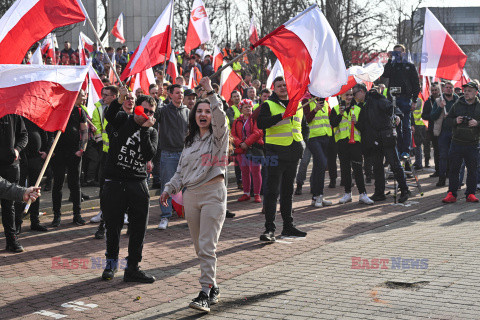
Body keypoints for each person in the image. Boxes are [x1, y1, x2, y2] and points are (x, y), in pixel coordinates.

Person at [160, 77, 229, 312]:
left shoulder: (219, 137)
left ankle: (204, 293)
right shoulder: (189, 142)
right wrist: (169, 188)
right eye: (199, 111)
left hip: (213, 194)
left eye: (207, 111)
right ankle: (214, 286)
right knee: (200, 249)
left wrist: (210, 93)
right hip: (191, 196)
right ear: (194, 115)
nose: (203, 114)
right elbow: (180, 172)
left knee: (207, 247)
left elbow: (221, 120)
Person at [101, 88, 158, 283]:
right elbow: (108, 114)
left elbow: (149, 154)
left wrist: (144, 130)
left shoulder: (151, 132)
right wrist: (119, 98)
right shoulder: (121, 119)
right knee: (113, 225)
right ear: (136, 108)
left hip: (138, 183)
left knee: (138, 228)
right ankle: (111, 264)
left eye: (152, 112)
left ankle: (132, 267)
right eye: (145, 110)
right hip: (115, 182)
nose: (148, 114)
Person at [257, 76, 307, 241]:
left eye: (285, 85)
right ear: (274, 88)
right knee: (272, 192)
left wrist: (302, 143)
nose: (283, 88)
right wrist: (281, 116)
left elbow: (303, 127)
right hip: (275, 153)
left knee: (288, 192)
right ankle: (269, 229)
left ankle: (288, 227)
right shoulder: (268, 104)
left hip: (293, 153)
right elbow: (260, 124)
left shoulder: (298, 103)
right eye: (279, 86)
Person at [354, 83, 411, 203]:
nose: (354, 96)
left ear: (362, 91)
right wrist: (355, 123)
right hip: (374, 141)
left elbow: (391, 107)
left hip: (386, 137)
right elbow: (363, 126)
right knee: (377, 167)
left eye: (355, 93)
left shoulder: (375, 98)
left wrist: (397, 116)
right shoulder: (363, 106)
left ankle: (404, 190)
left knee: (395, 164)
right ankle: (379, 192)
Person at [51, 90, 88, 227]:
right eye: (82, 96)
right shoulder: (57, 109)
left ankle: (77, 215)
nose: (84, 99)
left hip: (74, 152)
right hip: (58, 153)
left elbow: (84, 131)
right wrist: (51, 149)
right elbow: (49, 129)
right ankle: (56, 216)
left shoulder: (79, 111)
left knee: (75, 184)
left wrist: (82, 148)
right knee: (58, 184)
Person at [329, 89, 373, 205]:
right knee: (345, 170)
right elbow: (333, 124)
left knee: (358, 169)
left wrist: (356, 122)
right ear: (341, 96)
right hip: (342, 143)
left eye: (351, 95)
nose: (349, 97)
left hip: (355, 144)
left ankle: (362, 194)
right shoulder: (335, 109)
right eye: (346, 95)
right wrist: (340, 114)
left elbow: (364, 127)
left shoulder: (358, 109)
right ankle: (347, 193)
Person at [157, 84, 189, 230]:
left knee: (189, 185)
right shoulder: (163, 111)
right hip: (168, 153)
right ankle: (165, 216)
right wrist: (157, 99)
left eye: (181, 93)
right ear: (170, 94)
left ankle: (189, 214)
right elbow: (152, 118)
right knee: (167, 185)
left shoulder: (188, 111)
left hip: (185, 154)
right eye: (177, 93)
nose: (180, 95)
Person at [442, 82, 480, 203]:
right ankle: (452, 194)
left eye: (469, 90)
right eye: (466, 90)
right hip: (457, 143)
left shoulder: (479, 106)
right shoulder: (457, 104)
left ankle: (470, 194)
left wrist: (477, 123)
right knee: (454, 169)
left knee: (472, 170)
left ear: (476, 92)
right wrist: (455, 120)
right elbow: (447, 121)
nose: (466, 92)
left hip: (472, 144)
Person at [382, 44, 421, 159]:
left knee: (406, 126)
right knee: (395, 125)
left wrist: (414, 100)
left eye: (399, 52)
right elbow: (385, 74)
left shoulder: (409, 66)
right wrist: (389, 60)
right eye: (395, 53)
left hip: (405, 98)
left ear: (404, 53)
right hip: (393, 99)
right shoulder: (392, 65)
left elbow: (415, 84)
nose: (397, 55)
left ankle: (406, 150)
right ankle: (398, 150)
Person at [14, 118, 49, 233]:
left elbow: (44, 133)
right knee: (19, 191)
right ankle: (17, 223)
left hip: (36, 158)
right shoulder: (16, 117)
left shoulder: (35, 117)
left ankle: (35, 221)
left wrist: (46, 150)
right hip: (21, 159)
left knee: (36, 190)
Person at [90, 86, 119, 224]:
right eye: (103, 94)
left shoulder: (122, 108)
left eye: (106, 95)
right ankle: (102, 212)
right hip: (105, 153)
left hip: (119, 153)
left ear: (114, 97)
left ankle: (123, 213)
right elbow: (96, 126)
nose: (103, 97)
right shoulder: (99, 109)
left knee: (120, 185)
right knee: (104, 184)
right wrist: (101, 143)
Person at [0, 113, 28, 252]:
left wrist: (17, 149)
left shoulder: (13, 114)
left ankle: (12, 240)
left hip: (11, 166)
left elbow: (24, 135)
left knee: (8, 205)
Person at [232, 99, 264, 203]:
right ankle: (246, 193)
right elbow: (233, 135)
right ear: (240, 109)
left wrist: (247, 143)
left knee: (256, 171)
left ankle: (257, 194)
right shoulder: (237, 121)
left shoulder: (255, 119)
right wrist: (241, 144)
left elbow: (258, 132)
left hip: (253, 149)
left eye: (250, 107)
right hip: (241, 150)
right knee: (244, 172)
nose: (248, 108)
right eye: (246, 107)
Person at [304, 97, 334, 207]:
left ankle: (316, 197)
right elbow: (305, 120)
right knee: (322, 163)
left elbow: (329, 119)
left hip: (326, 136)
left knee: (319, 166)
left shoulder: (326, 102)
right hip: (313, 137)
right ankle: (319, 195)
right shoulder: (307, 102)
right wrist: (315, 110)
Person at [430, 82, 459, 186]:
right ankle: (441, 179)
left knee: (455, 157)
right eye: (446, 87)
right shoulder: (438, 101)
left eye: (450, 88)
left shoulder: (458, 100)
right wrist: (440, 107)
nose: (448, 89)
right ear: (443, 89)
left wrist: (452, 117)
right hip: (443, 133)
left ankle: (456, 180)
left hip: (456, 132)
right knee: (443, 157)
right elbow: (432, 116)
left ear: (453, 89)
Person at [422, 84, 441, 176]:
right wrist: (432, 116)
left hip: (443, 129)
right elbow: (423, 115)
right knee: (436, 151)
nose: (434, 92)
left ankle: (447, 171)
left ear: (439, 90)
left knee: (444, 151)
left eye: (436, 90)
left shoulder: (443, 100)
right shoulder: (428, 102)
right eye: (432, 90)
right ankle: (437, 171)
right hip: (433, 129)